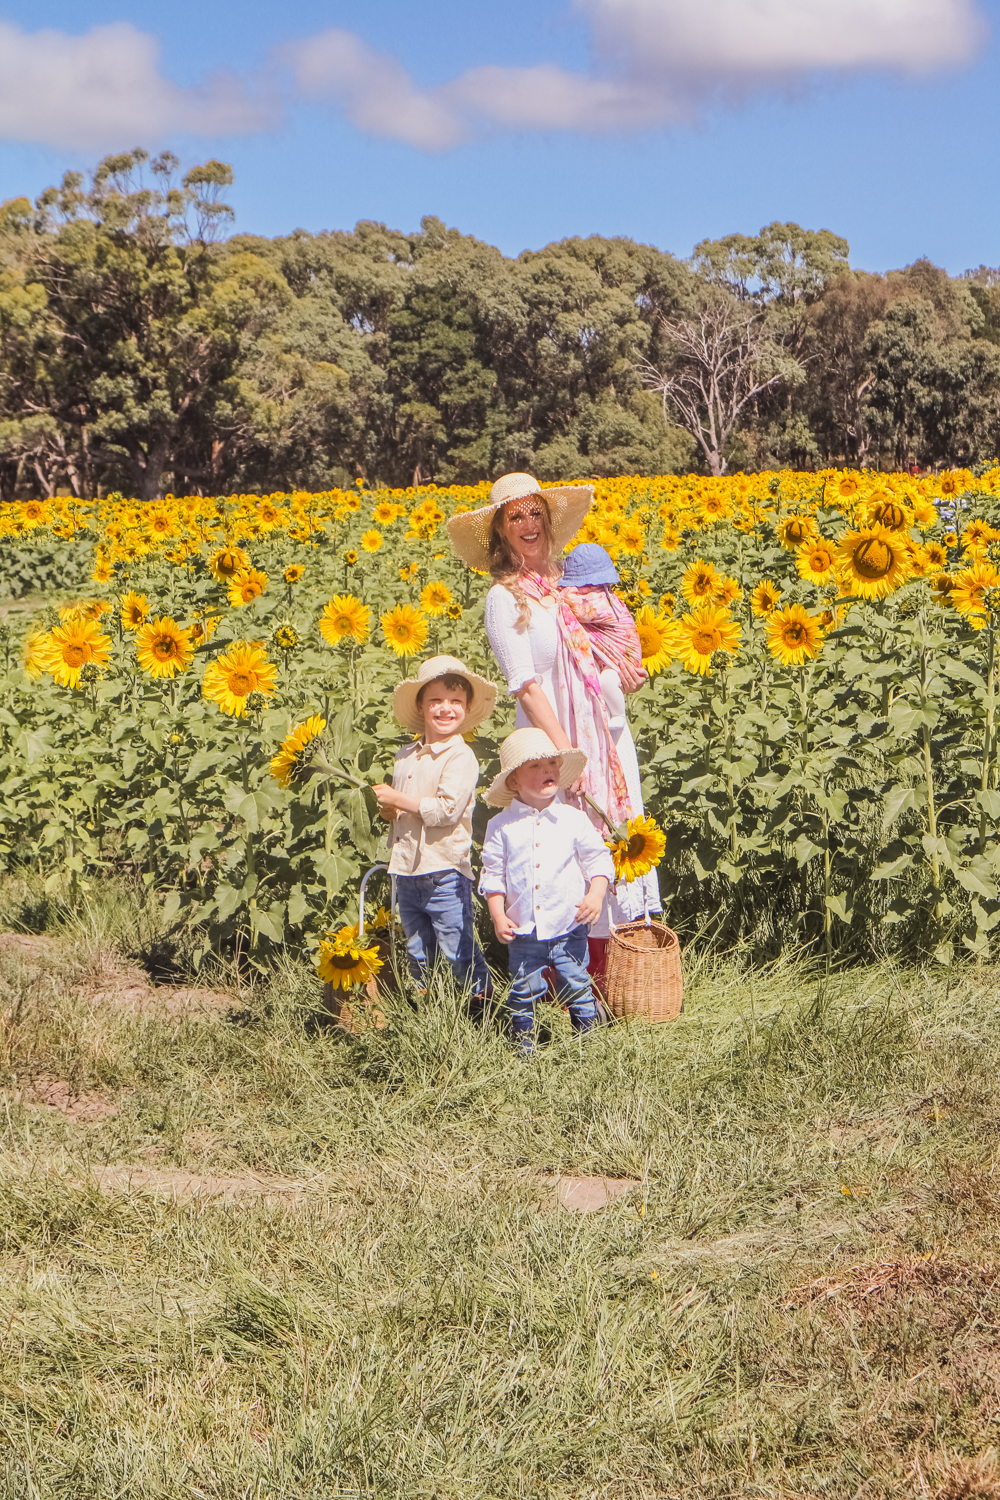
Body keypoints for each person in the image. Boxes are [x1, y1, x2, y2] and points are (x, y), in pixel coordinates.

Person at [445, 473, 662, 990]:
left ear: (547, 518)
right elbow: (525, 685)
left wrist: (626, 668)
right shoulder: (505, 599)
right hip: (553, 741)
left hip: (605, 731)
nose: (528, 524)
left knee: (613, 834)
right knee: (563, 849)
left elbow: (610, 643)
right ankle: (568, 983)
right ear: (499, 530)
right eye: (514, 516)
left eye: (534, 512)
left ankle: (621, 979)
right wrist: (567, 755)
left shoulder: (573, 583)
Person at [479, 729, 614, 1053]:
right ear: (513, 781)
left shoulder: (573, 819)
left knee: (577, 984)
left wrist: (595, 894)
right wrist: (498, 916)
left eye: (552, 763)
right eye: (535, 766)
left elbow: (599, 860)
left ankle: (586, 1046)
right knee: (523, 989)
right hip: (524, 929)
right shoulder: (501, 826)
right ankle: (524, 1048)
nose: (548, 770)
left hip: (569, 924)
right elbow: (493, 876)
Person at [372, 653, 497, 999]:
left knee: (459, 948)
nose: (446, 709)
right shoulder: (405, 756)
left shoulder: (461, 756)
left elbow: (445, 811)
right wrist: (388, 810)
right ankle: (424, 1011)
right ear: (422, 706)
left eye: (455, 701)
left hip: (444, 870)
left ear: (467, 706)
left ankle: (483, 1009)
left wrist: (398, 800)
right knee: (417, 950)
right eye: (436, 701)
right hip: (407, 870)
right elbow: (400, 815)